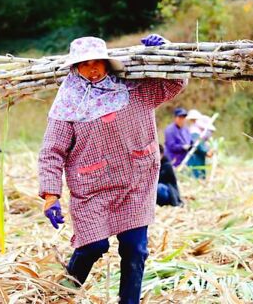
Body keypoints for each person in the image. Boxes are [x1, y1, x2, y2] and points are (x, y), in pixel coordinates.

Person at [38, 34, 187, 304]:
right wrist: (51, 195)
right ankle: (63, 294)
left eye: (98, 62)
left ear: (108, 64)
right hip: (92, 187)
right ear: (75, 68)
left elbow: (174, 83)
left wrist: (166, 50)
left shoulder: (133, 89)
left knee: (135, 248)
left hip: (135, 182)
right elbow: (52, 151)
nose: (92, 69)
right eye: (85, 65)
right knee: (93, 245)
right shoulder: (67, 104)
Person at [186, 113, 215, 179]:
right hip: (195, 158)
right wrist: (206, 152)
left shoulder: (198, 133)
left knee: (200, 173)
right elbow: (198, 144)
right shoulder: (195, 132)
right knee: (197, 174)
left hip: (199, 157)